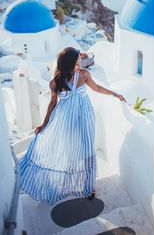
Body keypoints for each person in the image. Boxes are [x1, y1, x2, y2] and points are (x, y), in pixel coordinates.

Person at [20, 47, 126, 205]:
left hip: (84, 117)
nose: (80, 65)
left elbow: (96, 88)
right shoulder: (55, 82)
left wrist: (114, 93)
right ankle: (62, 184)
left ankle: (88, 187)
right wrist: (44, 123)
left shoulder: (84, 74)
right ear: (67, 64)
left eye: (80, 61)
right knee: (67, 150)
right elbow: (53, 103)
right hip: (65, 120)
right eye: (76, 62)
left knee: (86, 148)